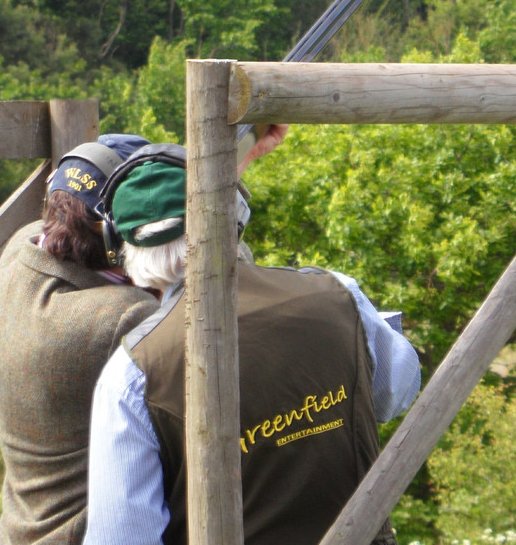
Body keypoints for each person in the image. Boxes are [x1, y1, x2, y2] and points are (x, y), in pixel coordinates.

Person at [83, 143, 421, 545]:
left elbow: (120, 538)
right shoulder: (338, 293)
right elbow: (395, 393)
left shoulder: (132, 374)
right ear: (234, 216)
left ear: (121, 247)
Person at [0, 129, 287, 545]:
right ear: (116, 235)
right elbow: (223, 287)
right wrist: (216, 206)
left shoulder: (19, 254)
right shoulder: (122, 320)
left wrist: (230, 161)